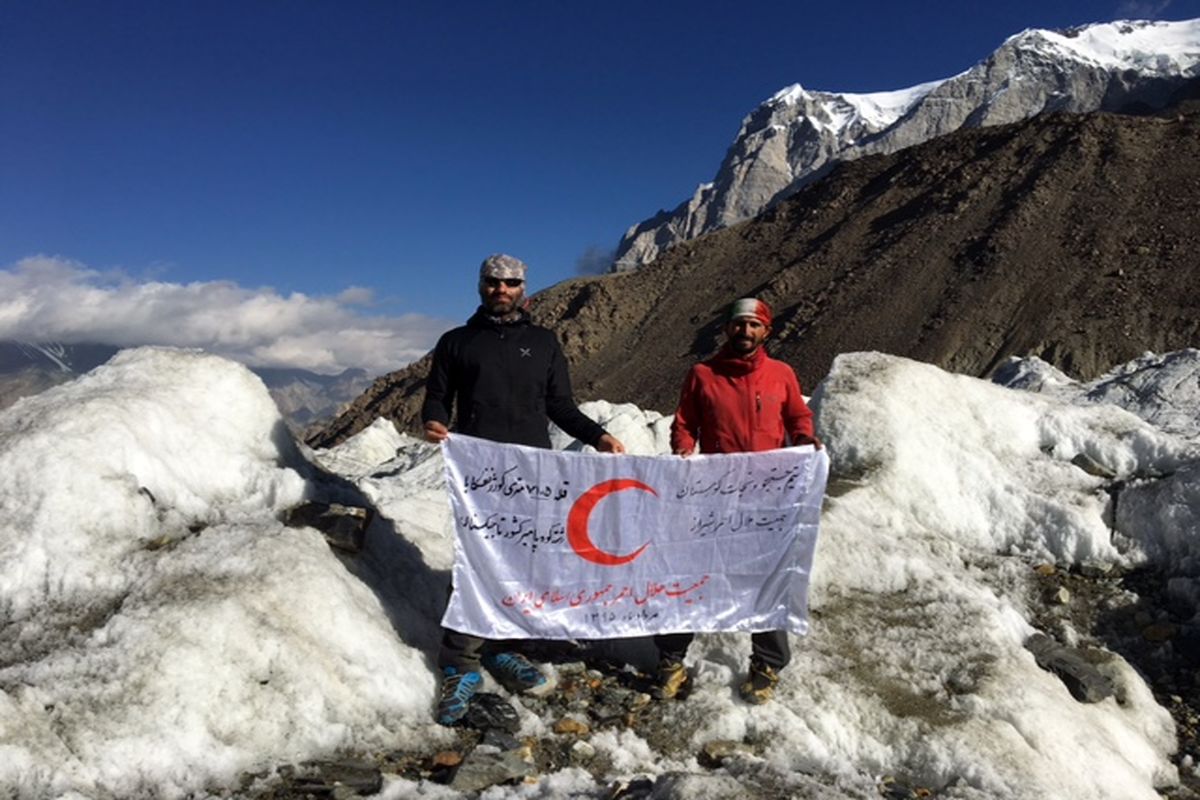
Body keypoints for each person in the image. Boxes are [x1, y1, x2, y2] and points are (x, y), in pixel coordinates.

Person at [422, 253, 626, 726]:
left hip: (532, 471)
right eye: (493, 282)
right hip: (480, 472)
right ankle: (460, 661)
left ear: (523, 290)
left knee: (521, 559)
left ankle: (504, 647)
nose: (501, 289)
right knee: (476, 558)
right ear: (481, 286)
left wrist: (598, 435)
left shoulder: (543, 342)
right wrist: (433, 419)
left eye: (510, 283)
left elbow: (560, 405)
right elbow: (437, 394)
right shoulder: (456, 342)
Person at [654, 296, 821, 705]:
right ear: (727, 329)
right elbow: (685, 421)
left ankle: (767, 665)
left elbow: (797, 417)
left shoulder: (782, 375)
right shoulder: (702, 374)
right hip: (714, 495)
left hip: (767, 497)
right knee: (692, 575)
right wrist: (683, 449)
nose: (745, 332)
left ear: (766, 331)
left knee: (767, 576)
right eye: (738, 324)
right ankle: (670, 662)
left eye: (754, 325)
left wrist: (803, 440)